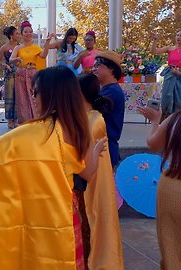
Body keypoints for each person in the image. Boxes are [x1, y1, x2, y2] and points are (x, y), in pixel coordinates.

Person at [0, 66, 106, 269]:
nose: (32, 97)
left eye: (35, 92)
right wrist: (95, 152)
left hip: (33, 216)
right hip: (64, 218)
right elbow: (88, 173)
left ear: (51, 94)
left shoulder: (32, 132)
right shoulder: (78, 127)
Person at [78, 74, 124, 270]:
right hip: (88, 178)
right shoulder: (88, 117)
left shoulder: (93, 120)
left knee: (91, 225)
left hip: (91, 181)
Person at [138, 106, 181, 270]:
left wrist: (156, 121)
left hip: (172, 185)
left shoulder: (175, 120)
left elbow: (153, 144)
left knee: (172, 246)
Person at [9, 21, 49, 123]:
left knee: (34, 97)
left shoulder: (36, 47)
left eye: (30, 31)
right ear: (22, 34)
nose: (28, 34)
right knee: (22, 100)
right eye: (26, 32)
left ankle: (35, 121)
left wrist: (47, 42)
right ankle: (24, 123)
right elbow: (10, 59)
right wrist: (17, 59)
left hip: (33, 74)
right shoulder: (18, 48)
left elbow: (43, 55)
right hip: (21, 74)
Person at [93, 51, 125, 167]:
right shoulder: (108, 89)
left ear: (111, 69)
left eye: (98, 66)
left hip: (106, 148)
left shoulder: (111, 92)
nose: (94, 69)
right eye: (93, 66)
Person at [151, 30, 181, 120]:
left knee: (178, 98)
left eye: (180, 35)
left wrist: (179, 73)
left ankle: (177, 120)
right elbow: (154, 51)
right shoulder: (170, 48)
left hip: (179, 76)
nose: (178, 37)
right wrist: (155, 40)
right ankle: (165, 119)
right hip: (170, 74)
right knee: (167, 96)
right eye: (177, 35)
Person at [0, 26, 19, 128]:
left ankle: (17, 118)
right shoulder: (4, 47)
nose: (18, 35)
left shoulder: (20, 46)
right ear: (11, 36)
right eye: (16, 33)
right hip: (9, 74)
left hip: (19, 74)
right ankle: (10, 120)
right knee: (10, 96)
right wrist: (5, 65)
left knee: (19, 96)